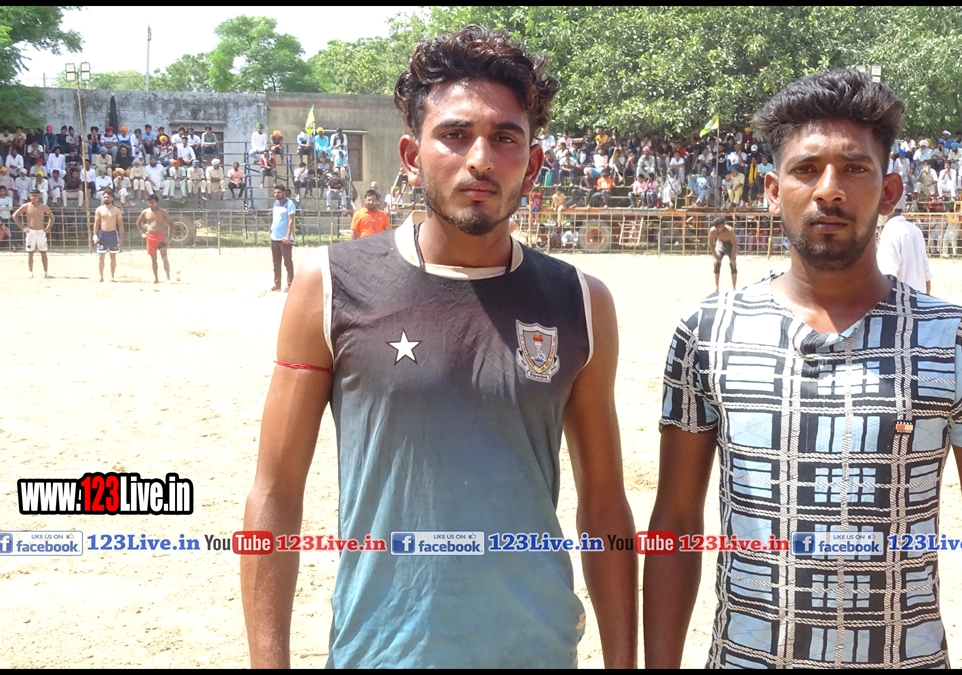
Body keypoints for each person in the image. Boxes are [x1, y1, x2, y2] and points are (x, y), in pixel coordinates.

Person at [241, 25, 636, 669]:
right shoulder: (329, 285)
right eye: (455, 134)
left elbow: (605, 504)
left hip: (536, 652)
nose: (480, 158)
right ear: (411, 154)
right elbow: (275, 493)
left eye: (505, 137)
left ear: (533, 163)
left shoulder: (581, 302)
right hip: (381, 653)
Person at [645, 68, 962, 670]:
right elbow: (674, 523)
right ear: (773, 190)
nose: (829, 190)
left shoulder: (956, 341)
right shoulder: (708, 334)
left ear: (890, 192)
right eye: (806, 169)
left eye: (854, 168)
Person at [877, 195, 933, 293]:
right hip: (919, 298)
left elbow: (887, 277)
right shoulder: (916, 230)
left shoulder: (890, 232)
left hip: (902, 300)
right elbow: (927, 276)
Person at [12, 189, 54, 278]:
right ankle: (30, 272)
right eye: (32, 195)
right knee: (30, 252)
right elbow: (15, 215)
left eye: (35, 196)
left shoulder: (43, 207)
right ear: (29, 196)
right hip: (30, 231)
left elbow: (52, 217)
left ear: (39, 196)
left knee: (43, 252)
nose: (33, 197)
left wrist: (48, 227)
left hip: (41, 231)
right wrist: (22, 227)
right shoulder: (26, 206)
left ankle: (46, 272)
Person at [136, 193, 172, 283]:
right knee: (153, 259)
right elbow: (138, 222)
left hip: (160, 236)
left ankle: (168, 277)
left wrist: (170, 237)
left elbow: (171, 224)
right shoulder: (145, 212)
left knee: (164, 257)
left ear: (157, 202)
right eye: (150, 202)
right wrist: (142, 233)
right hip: (150, 237)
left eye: (153, 202)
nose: (151, 204)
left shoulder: (163, 212)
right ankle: (156, 279)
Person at [267, 184, 295, 291]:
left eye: (278, 192)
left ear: (283, 192)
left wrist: (288, 235)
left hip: (284, 239)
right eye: (275, 192)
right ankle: (277, 284)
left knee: (287, 262)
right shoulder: (275, 203)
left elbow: (291, 220)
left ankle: (290, 284)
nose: (276, 194)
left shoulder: (289, 204)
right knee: (276, 263)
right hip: (274, 237)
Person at [93, 189, 123, 282]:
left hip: (113, 234)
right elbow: (96, 224)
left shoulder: (116, 210)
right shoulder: (99, 209)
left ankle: (112, 276)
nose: (106, 199)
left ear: (112, 198)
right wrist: (95, 236)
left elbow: (121, 225)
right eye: (105, 197)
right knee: (101, 257)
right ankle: (101, 277)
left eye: (108, 197)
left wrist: (121, 238)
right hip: (103, 234)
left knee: (113, 257)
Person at [707, 215, 738, 291]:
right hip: (721, 243)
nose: (717, 229)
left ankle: (733, 286)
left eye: (719, 227)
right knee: (716, 263)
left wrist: (733, 257)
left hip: (730, 244)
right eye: (716, 227)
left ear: (723, 226)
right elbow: (710, 242)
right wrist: (715, 256)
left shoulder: (729, 230)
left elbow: (734, 244)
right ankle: (716, 287)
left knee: (733, 264)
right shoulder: (712, 231)